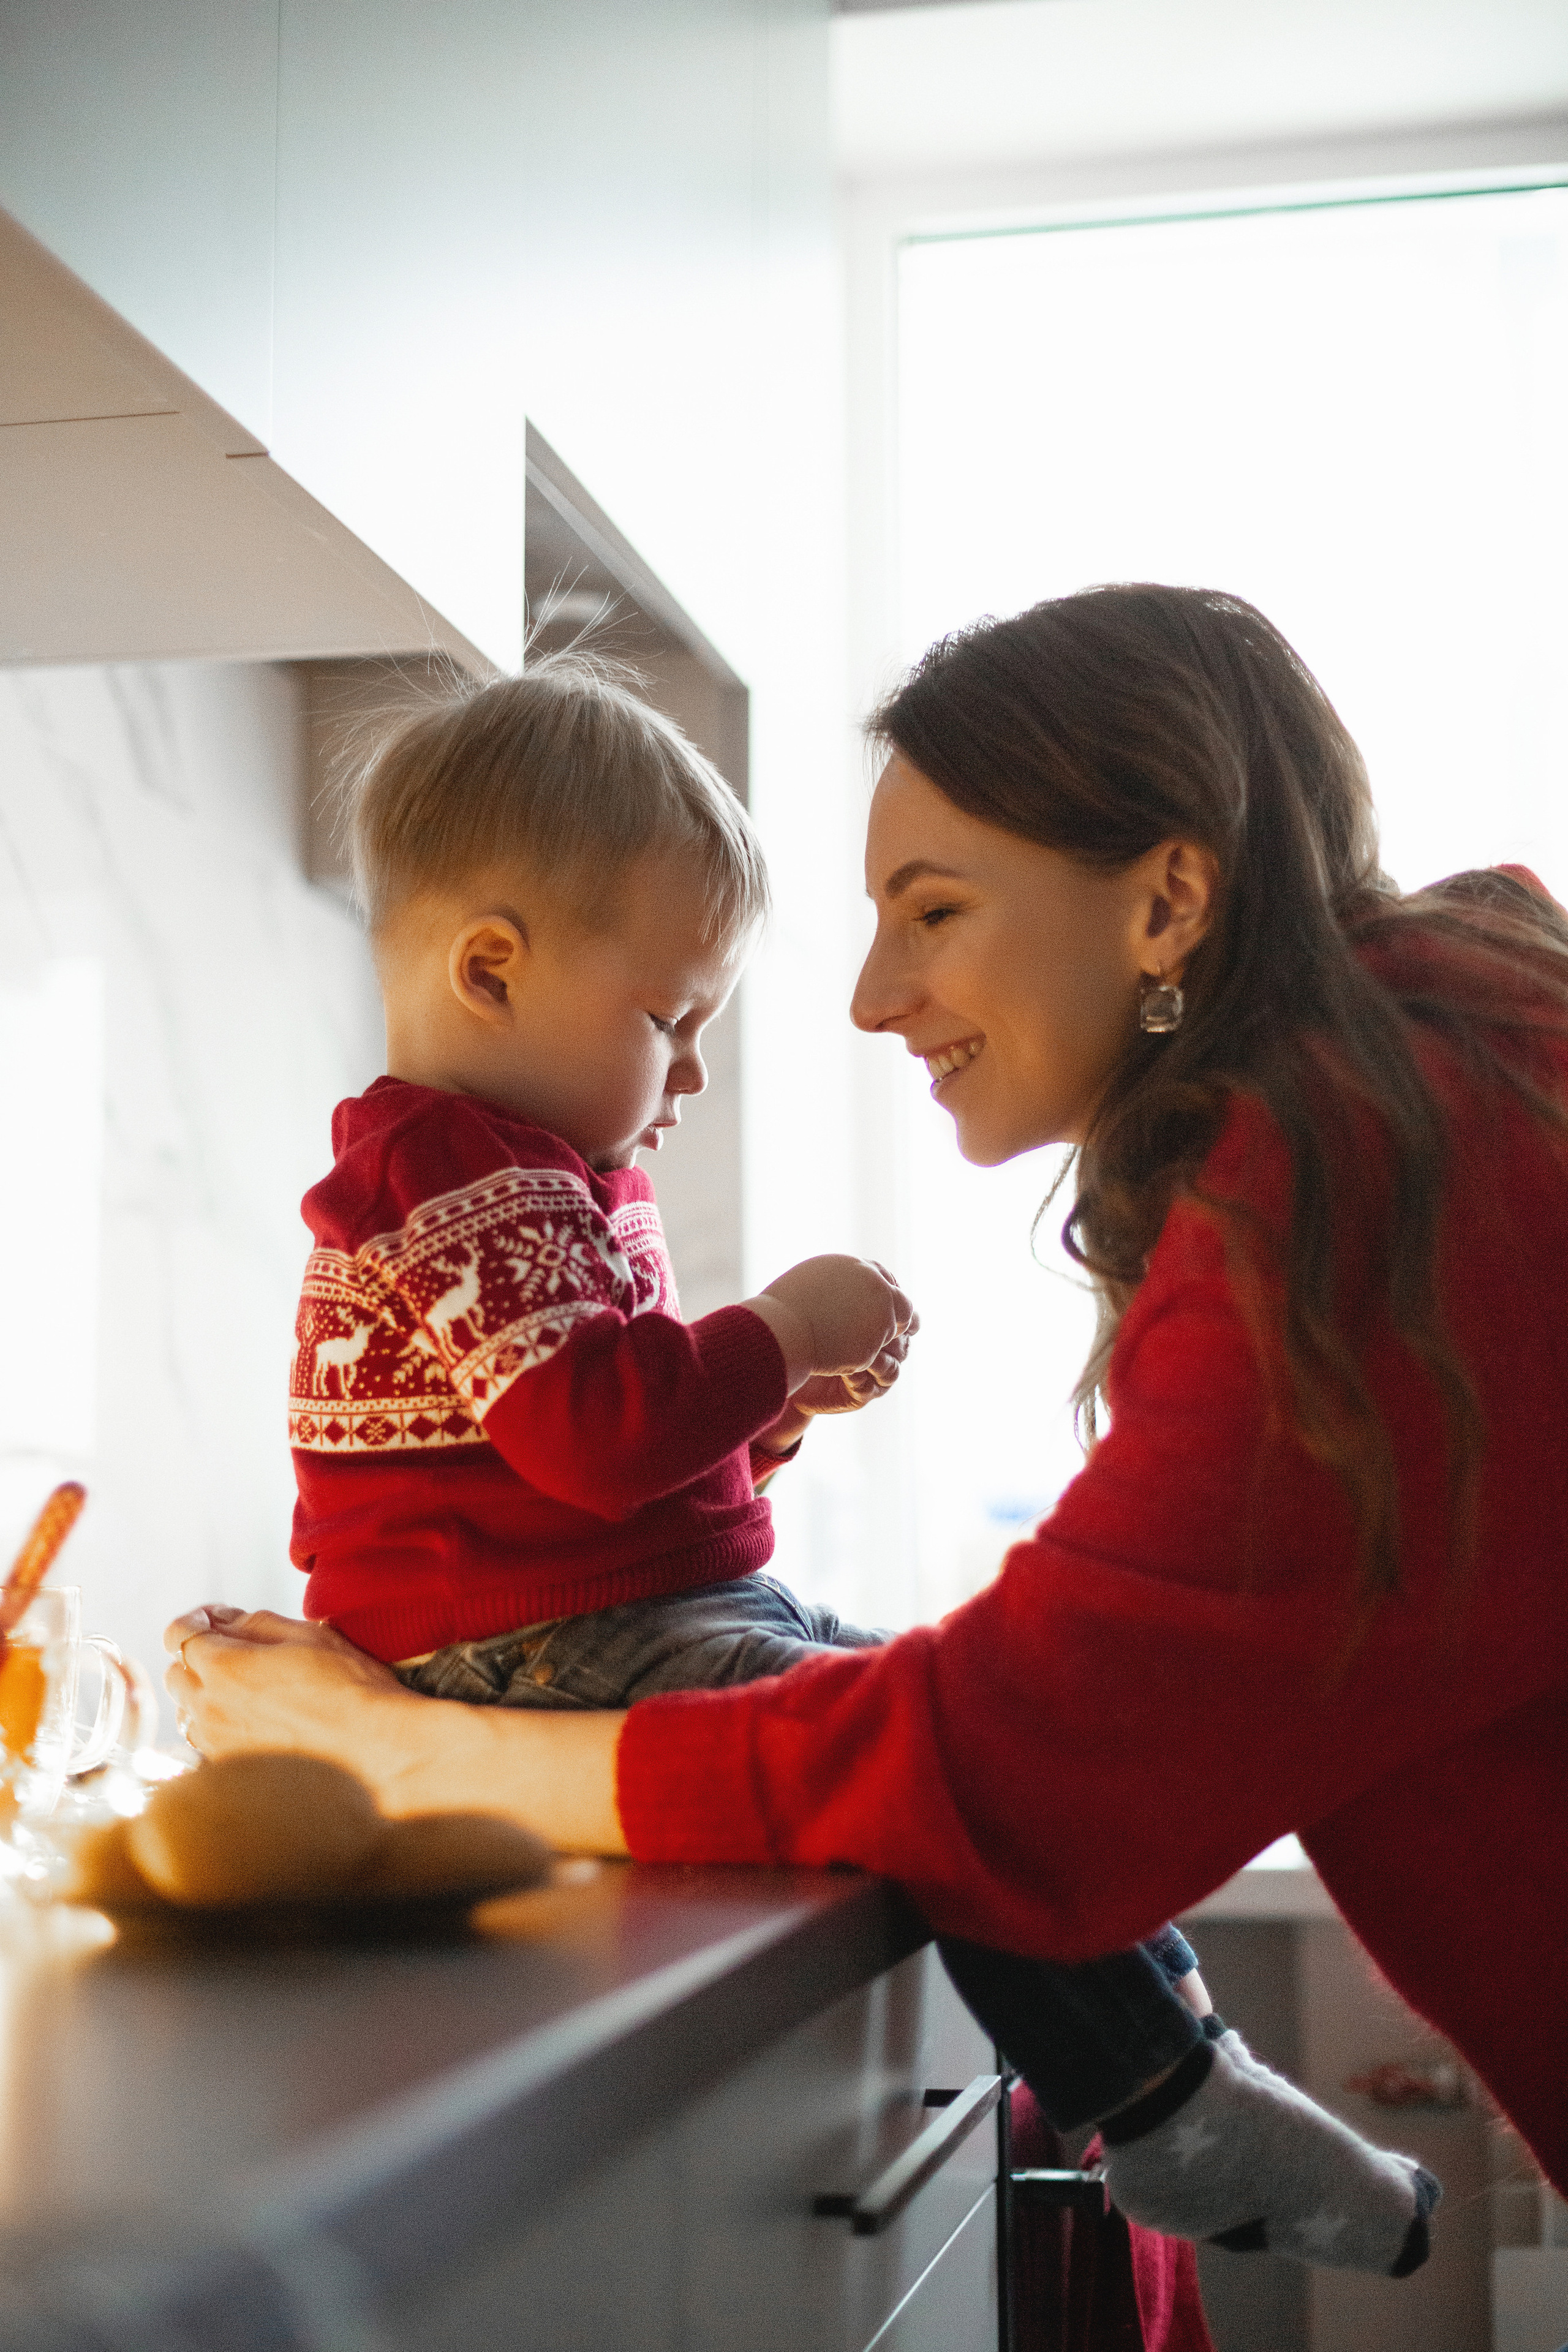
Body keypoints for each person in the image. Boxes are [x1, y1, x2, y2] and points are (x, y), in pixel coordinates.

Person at [177, 593, 1560, 2239]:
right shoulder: (1438, 1084)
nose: (869, 997)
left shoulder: (1363, 1194)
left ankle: (1177, 2089)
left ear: (1171, 899)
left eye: (935, 910)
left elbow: (1003, 1756)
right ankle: (1177, 2091)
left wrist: (419, 1761)